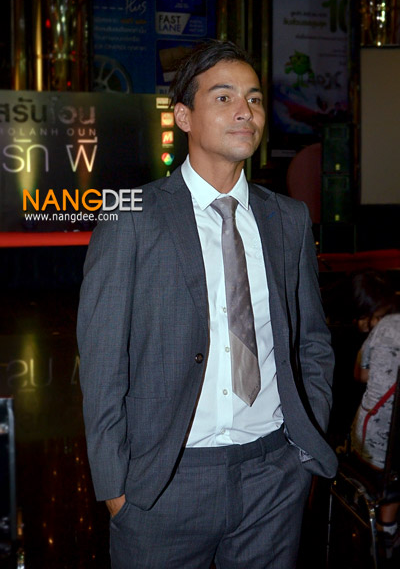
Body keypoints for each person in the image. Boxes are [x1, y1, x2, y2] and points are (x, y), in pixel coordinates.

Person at [77, 39, 337, 569]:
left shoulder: (287, 219)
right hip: (163, 484)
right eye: (224, 97)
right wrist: (114, 488)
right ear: (183, 117)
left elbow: (311, 341)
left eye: (255, 99)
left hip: (273, 477)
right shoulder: (131, 216)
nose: (246, 111)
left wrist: (302, 449)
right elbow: (102, 364)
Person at [350, 270, 399, 558]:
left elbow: (360, 374)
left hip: (374, 450)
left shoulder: (380, 330)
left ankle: (378, 531)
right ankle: (388, 529)